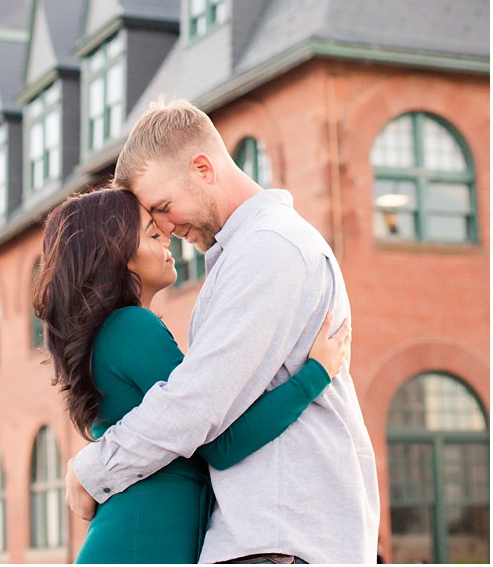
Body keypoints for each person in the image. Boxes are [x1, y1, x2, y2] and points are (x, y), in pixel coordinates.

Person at [64, 99, 380, 564]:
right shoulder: (246, 254)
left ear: (202, 168)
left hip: (279, 543)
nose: (166, 227)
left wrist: (92, 469)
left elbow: (197, 405)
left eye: (164, 207)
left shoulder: (269, 247)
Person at [33, 185, 350, 562]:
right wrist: (313, 375)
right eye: (152, 233)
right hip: (137, 546)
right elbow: (220, 442)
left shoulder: (114, 333)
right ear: (121, 257)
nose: (167, 235)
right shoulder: (131, 327)